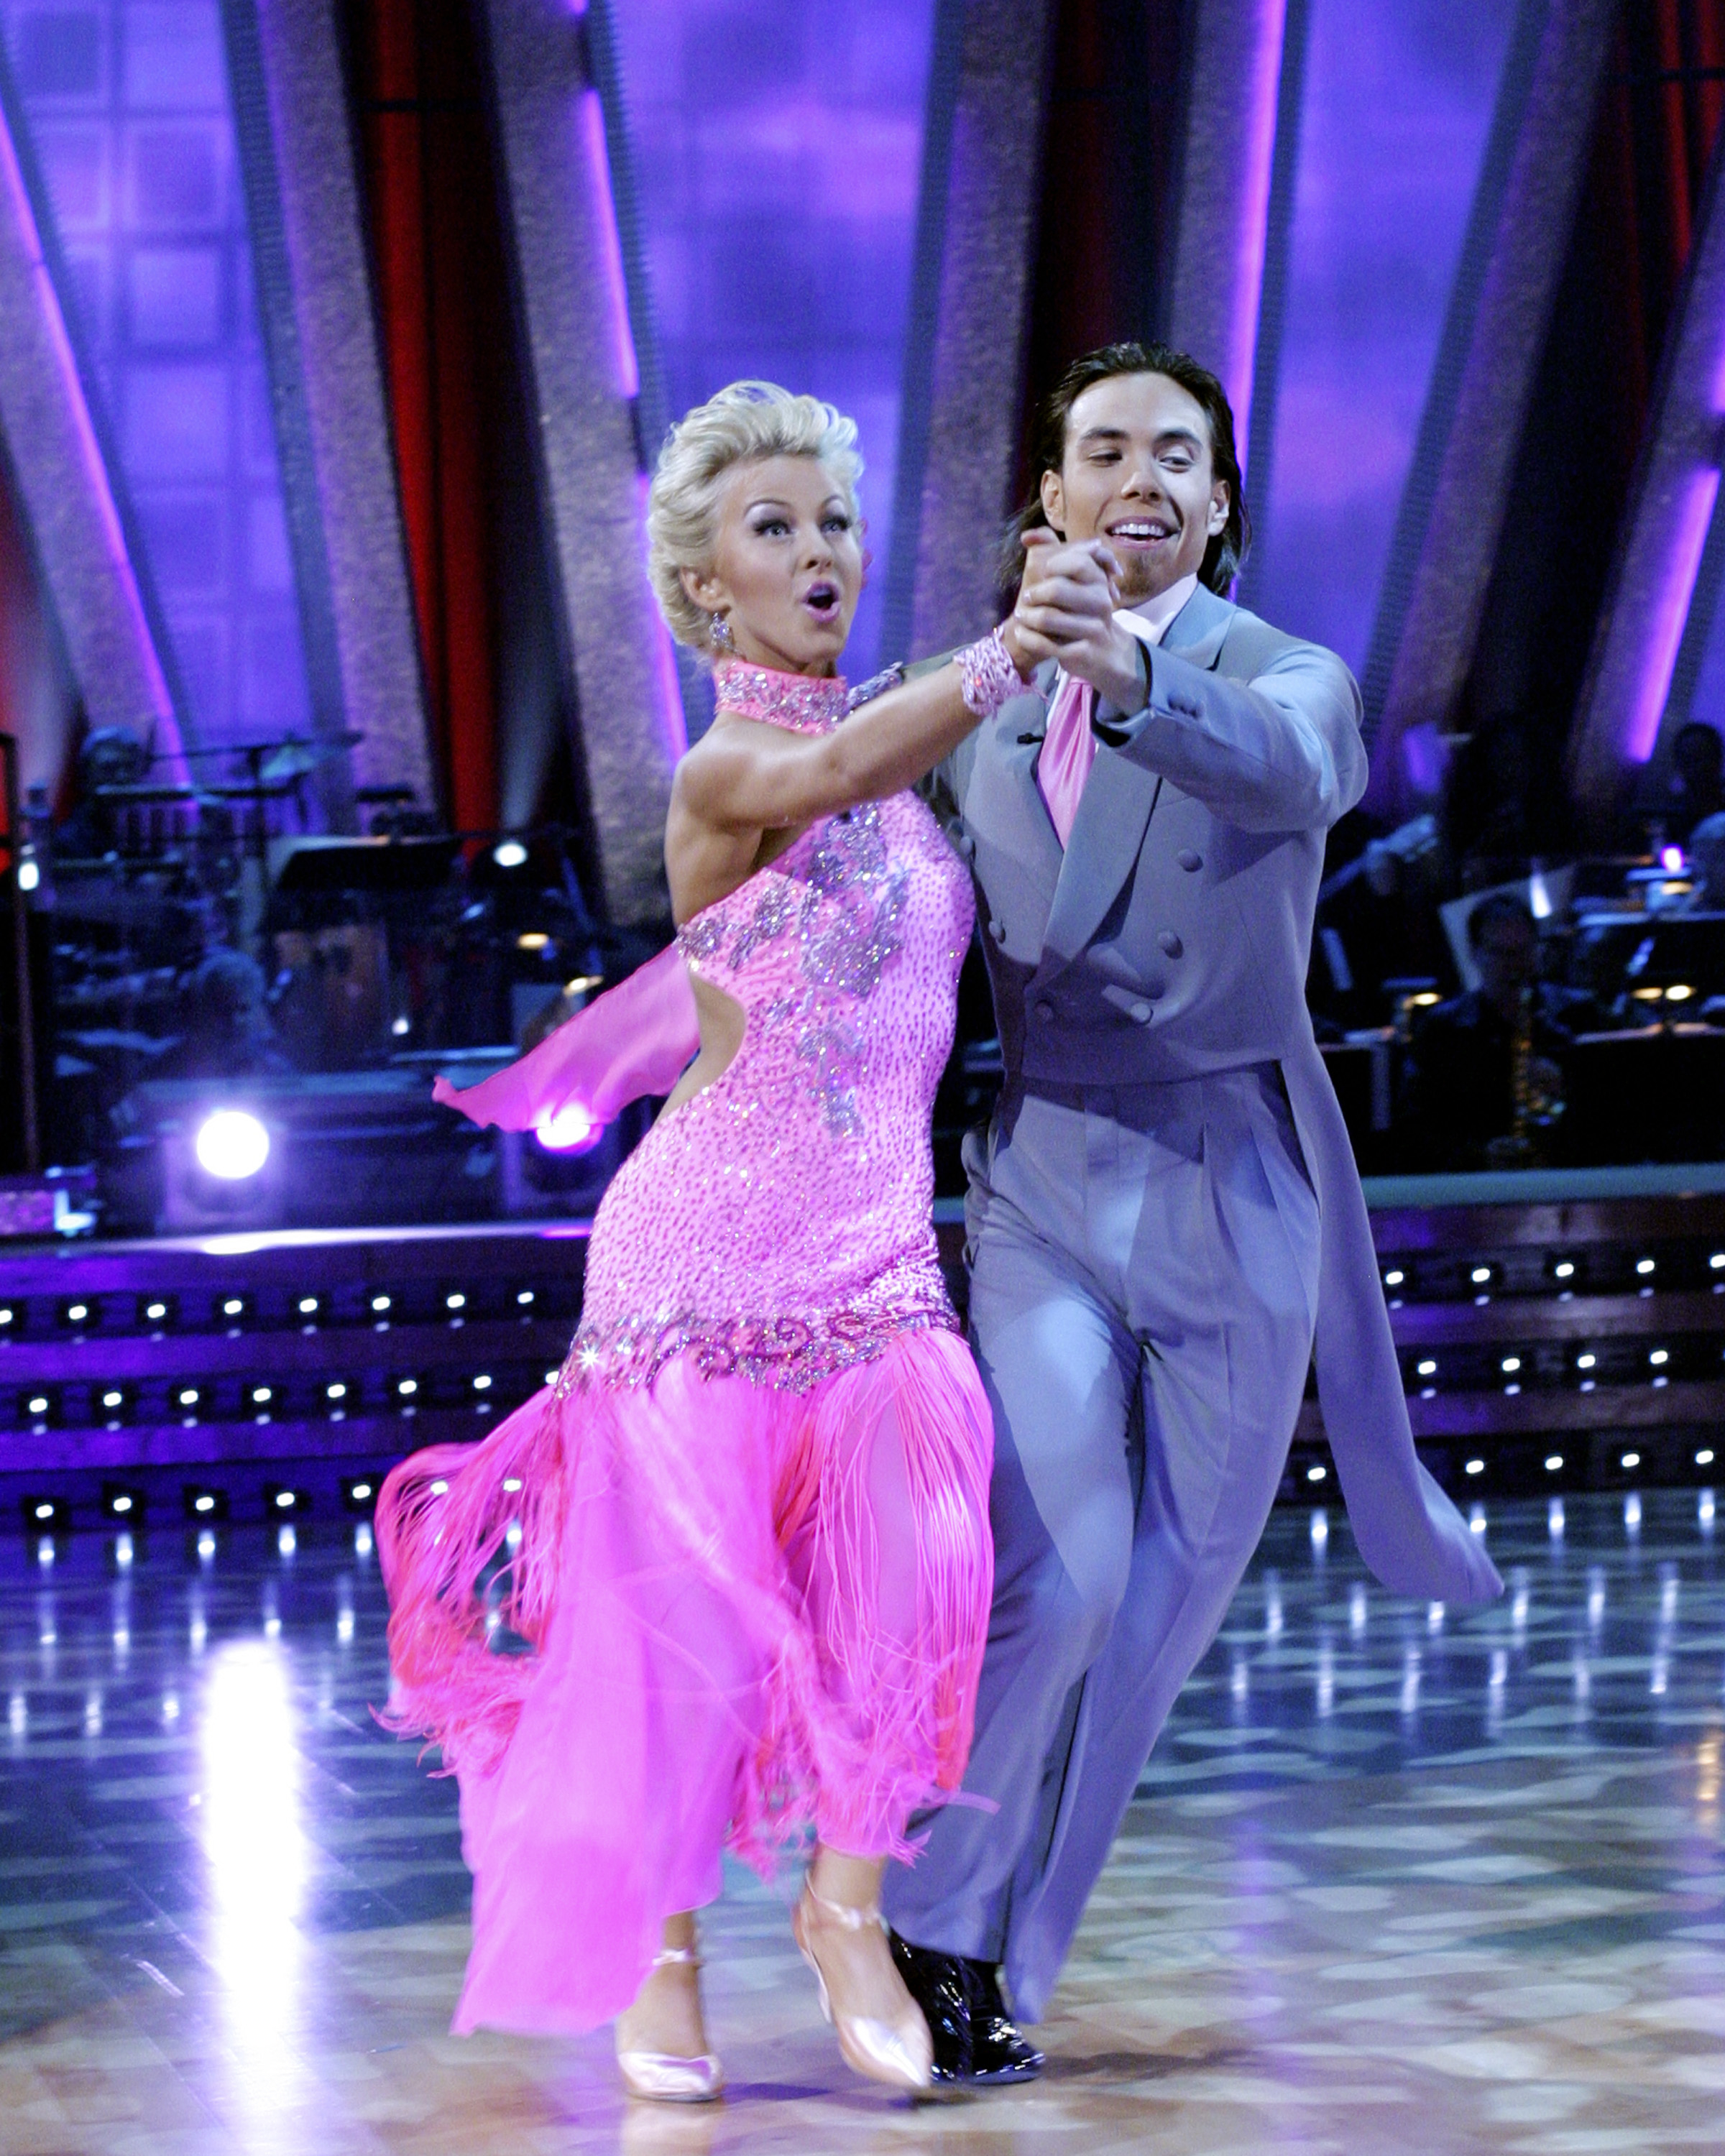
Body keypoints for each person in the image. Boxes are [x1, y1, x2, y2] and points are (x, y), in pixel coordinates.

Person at [377, 384, 1023, 2100]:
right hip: (698, 1269)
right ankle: (655, 1951)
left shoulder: (899, 758)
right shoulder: (730, 765)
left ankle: (843, 1910)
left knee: (926, 1571)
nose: (815, 550)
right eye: (771, 527)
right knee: (678, 1637)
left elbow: (899, 795)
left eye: (829, 520)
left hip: (878, 1255)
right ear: (702, 587)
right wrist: (1000, 657)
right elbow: (829, 765)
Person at [879, 342, 1503, 2080]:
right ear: (1049, 496)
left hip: (1232, 1170)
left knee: (1155, 1611)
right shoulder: (968, 695)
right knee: (1061, 1567)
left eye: (1175, 451)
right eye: (1103, 448)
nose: (1138, 474)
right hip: (1042, 1173)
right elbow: (853, 866)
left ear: (1216, 505)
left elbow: (1297, 772)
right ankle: (936, 1930)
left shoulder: (1283, 675)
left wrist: (1132, 678)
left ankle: (1005, 1941)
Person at [1398, 892, 1596, 1169]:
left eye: (1523, 951)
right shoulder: (1440, 1030)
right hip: (1475, 1191)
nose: (1514, 966)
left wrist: (1567, 1087)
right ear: (1474, 954)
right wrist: (1479, 1155)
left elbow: (1613, 1119)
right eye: (1500, 953)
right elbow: (1415, 1130)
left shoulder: (1580, 1016)